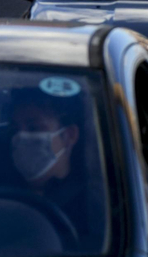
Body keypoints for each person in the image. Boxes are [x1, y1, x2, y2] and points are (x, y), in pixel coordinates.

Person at [8, 85, 102, 242]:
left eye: (34, 128)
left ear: (69, 135)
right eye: (14, 130)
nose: (20, 137)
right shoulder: (2, 195)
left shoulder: (93, 209)